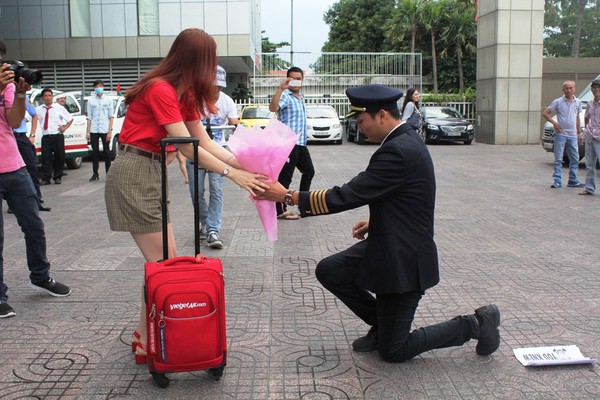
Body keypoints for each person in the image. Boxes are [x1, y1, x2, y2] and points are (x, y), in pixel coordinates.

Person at [257, 84, 501, 362]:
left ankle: (475, 324)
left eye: (361, 121)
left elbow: (346, 195)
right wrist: (376, 220)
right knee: (331, 270)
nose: (359, 128)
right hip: (388, 243)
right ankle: (382, 325)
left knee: (394, 351)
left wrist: (287, 196)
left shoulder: (397, 150)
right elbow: (404, 194)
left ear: (382, 115)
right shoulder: (403, 142)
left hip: (405, 260)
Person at [104, 28, 268, 364]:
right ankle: (147, 340)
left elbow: (204, 142)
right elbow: (187, 148)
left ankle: (143, 337)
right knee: (162, 264)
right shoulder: (159, 89)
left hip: (151, 171)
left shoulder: (185, 94)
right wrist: (234, 174)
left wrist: (243, 165)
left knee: (163, 264)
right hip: (135, 170)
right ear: (194, 61)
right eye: (209, 62)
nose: (212, 71)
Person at [0, 38, 71, 319]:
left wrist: (18, 94)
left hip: (14, 167)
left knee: (34, 226)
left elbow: (15, 122)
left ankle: (41, 276)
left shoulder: (6, 85)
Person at [186, 65, 239, 249]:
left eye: (218, 87)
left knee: (216, 191)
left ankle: (212, 229)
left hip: (218, 152)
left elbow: (234, 124)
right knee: (196, 193)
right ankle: (206, 224)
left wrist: (235, 127)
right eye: (211, 86)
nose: (214, 90)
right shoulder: (193, 101)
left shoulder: (227, 102)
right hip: (195, 152)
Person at [269, 66, 315, 220]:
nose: (296, 81)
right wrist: (281, 89)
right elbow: (273, 107)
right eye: (292, 78)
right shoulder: (286, 96)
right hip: (288, 142)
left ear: (302, 80)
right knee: (285, 178)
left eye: (299, 78)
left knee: (309, 171)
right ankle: (280, 210)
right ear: (288, 79)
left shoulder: (301, 97)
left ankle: (303, 205)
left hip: (301, 143)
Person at [10, 94, 51, 212]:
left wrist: (32, 135)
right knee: (10, 172)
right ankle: (13, 204)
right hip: (6, 138)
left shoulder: (20, 96)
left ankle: (38, 200)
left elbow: (34, 114)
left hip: (20, 137)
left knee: (32, 169)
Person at [543, 81, 584, 189]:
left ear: (575, 89)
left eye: (571, 88)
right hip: (561, 134)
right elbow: (546, 113)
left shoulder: (578, 102)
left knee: (575, 158)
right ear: (563, 90)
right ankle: (557, 180)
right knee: (558, 158)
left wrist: (579, 132)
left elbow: (577, 118)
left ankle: (573, 180)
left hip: (573, 135)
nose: (569, 90)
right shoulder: (558, 102)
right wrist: (555, 123)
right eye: (566, 88)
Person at [35, 88, 73, 185]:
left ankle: (57, 176)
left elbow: (70, 118)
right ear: (42, 98)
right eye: (45, 96)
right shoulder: (38, 109)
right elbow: (30, 118)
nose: (47, 98)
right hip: (46, 136)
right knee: (46, 158)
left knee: (59, 156)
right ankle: (46, 178)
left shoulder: (58, 107)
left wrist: (64, 127)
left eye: (49, 96)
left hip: (57, 136)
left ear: (52, 97)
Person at [86, 79, 114, 182]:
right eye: (97, 86)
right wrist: (88, 131)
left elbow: (111, 116)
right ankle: (95, 173)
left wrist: (110, 131)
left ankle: (108, 173)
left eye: (100, 86)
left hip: (104, 128)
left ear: (103, 87)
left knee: (107, 152)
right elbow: (89, 117)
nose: (99, 88)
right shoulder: (90, 100)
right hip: (94, 129)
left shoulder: (108, 100)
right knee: (95, 152)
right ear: (94, 88)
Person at [580, 79, 600, 195]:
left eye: (598, 87)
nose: (596, 89)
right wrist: (587, 129)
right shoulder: (590, 103)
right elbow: (586, 117)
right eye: (594, 87)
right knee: (590, 164)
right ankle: (589, 188)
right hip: (590, 137)